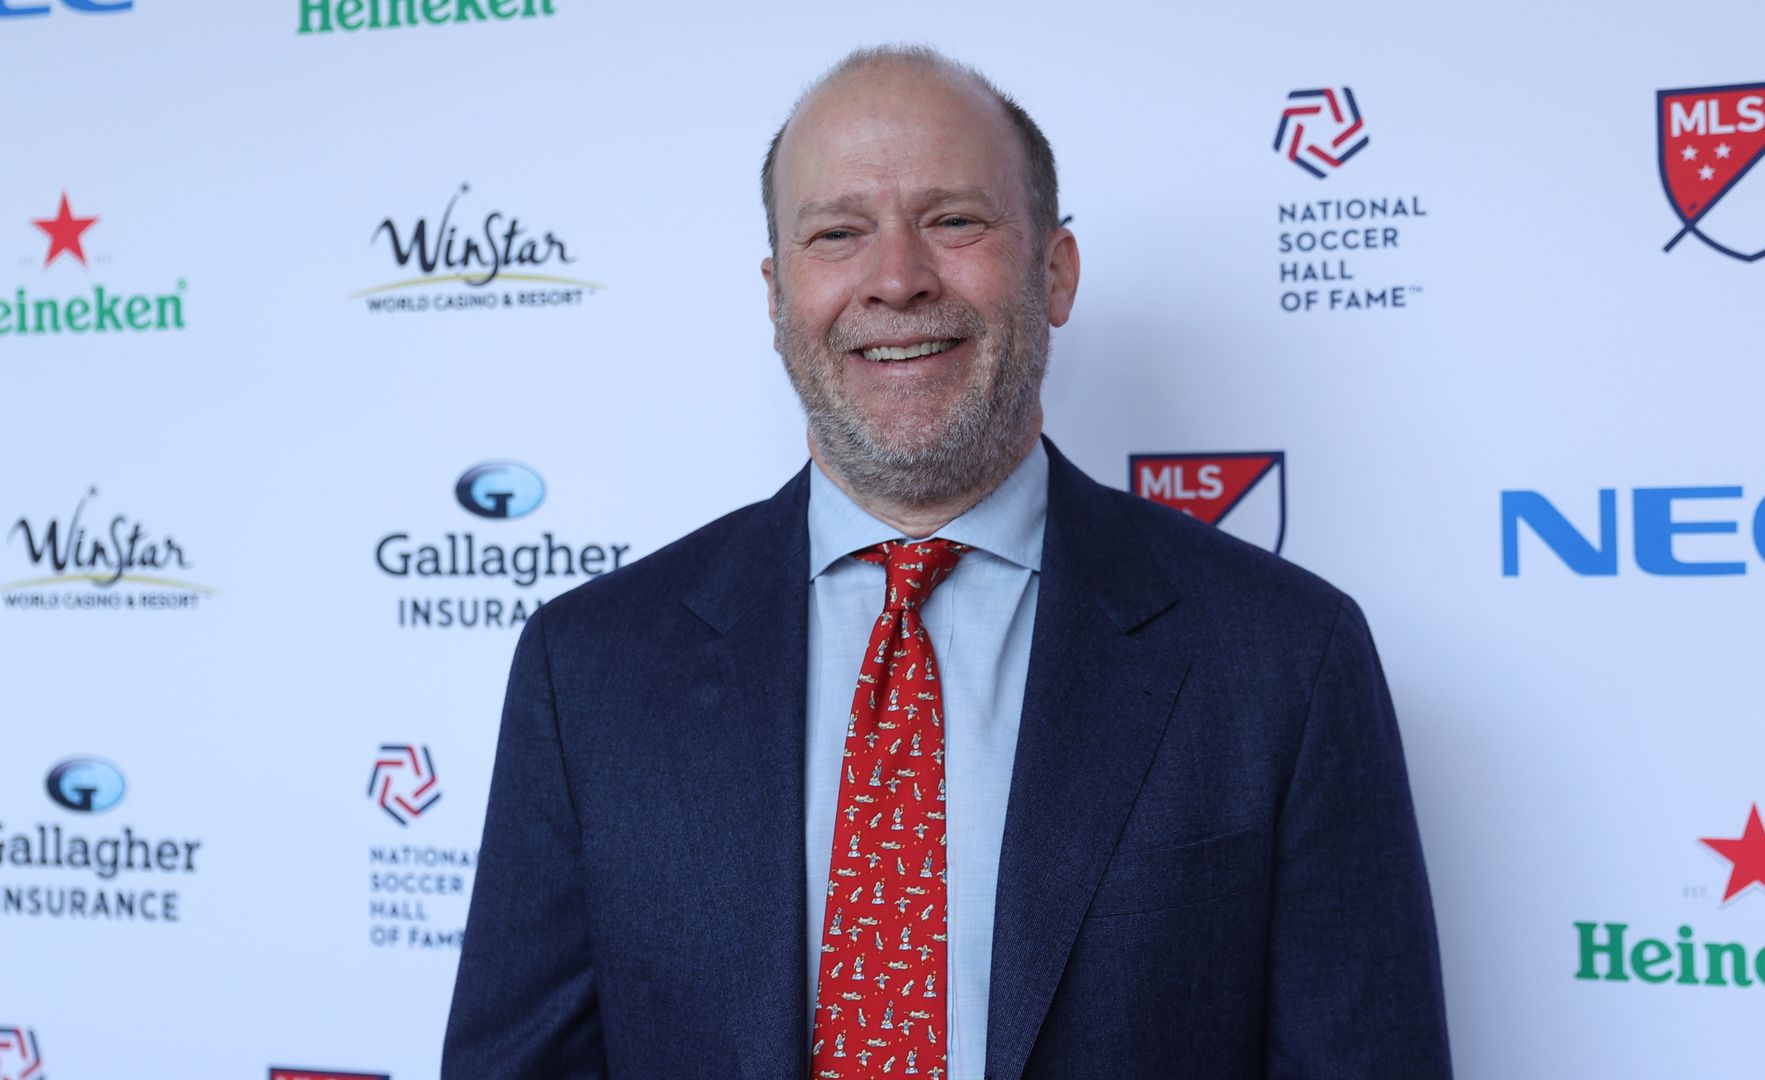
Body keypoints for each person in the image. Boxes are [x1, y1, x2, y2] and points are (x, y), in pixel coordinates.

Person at [443, 45, 1451, 1080]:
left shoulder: (1285, 658)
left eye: (953, 221)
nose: (897, 280)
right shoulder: (593, 666)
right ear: (779, 296)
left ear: (1052, 272)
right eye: (837, 234)